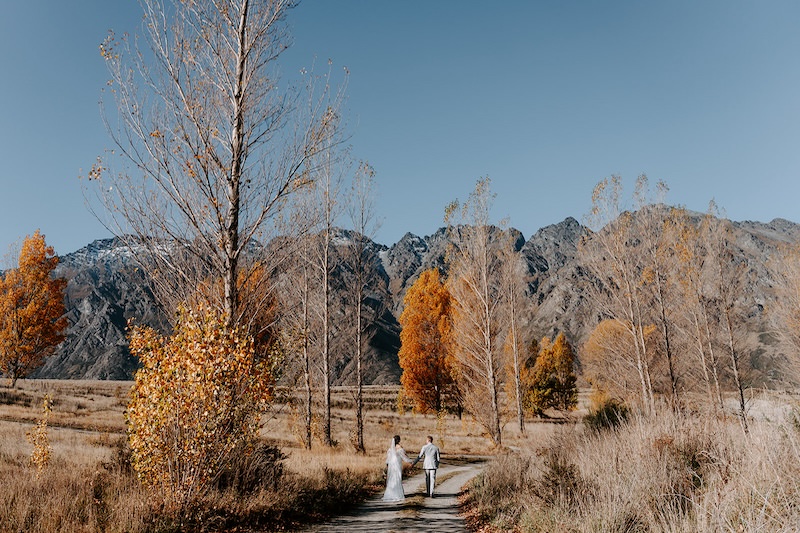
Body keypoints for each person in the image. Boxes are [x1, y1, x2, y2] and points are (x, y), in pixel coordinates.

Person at [382, 434, 412, 502]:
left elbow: (388, 458)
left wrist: (387, 465)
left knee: (392, 478)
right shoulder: (400, 447)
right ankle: (398, 494)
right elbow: (404, 456)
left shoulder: (390, 449)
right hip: (397, 464)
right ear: (399, 440)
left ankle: (390, 493)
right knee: (397, 478)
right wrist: (410, 461)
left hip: (391, 464)